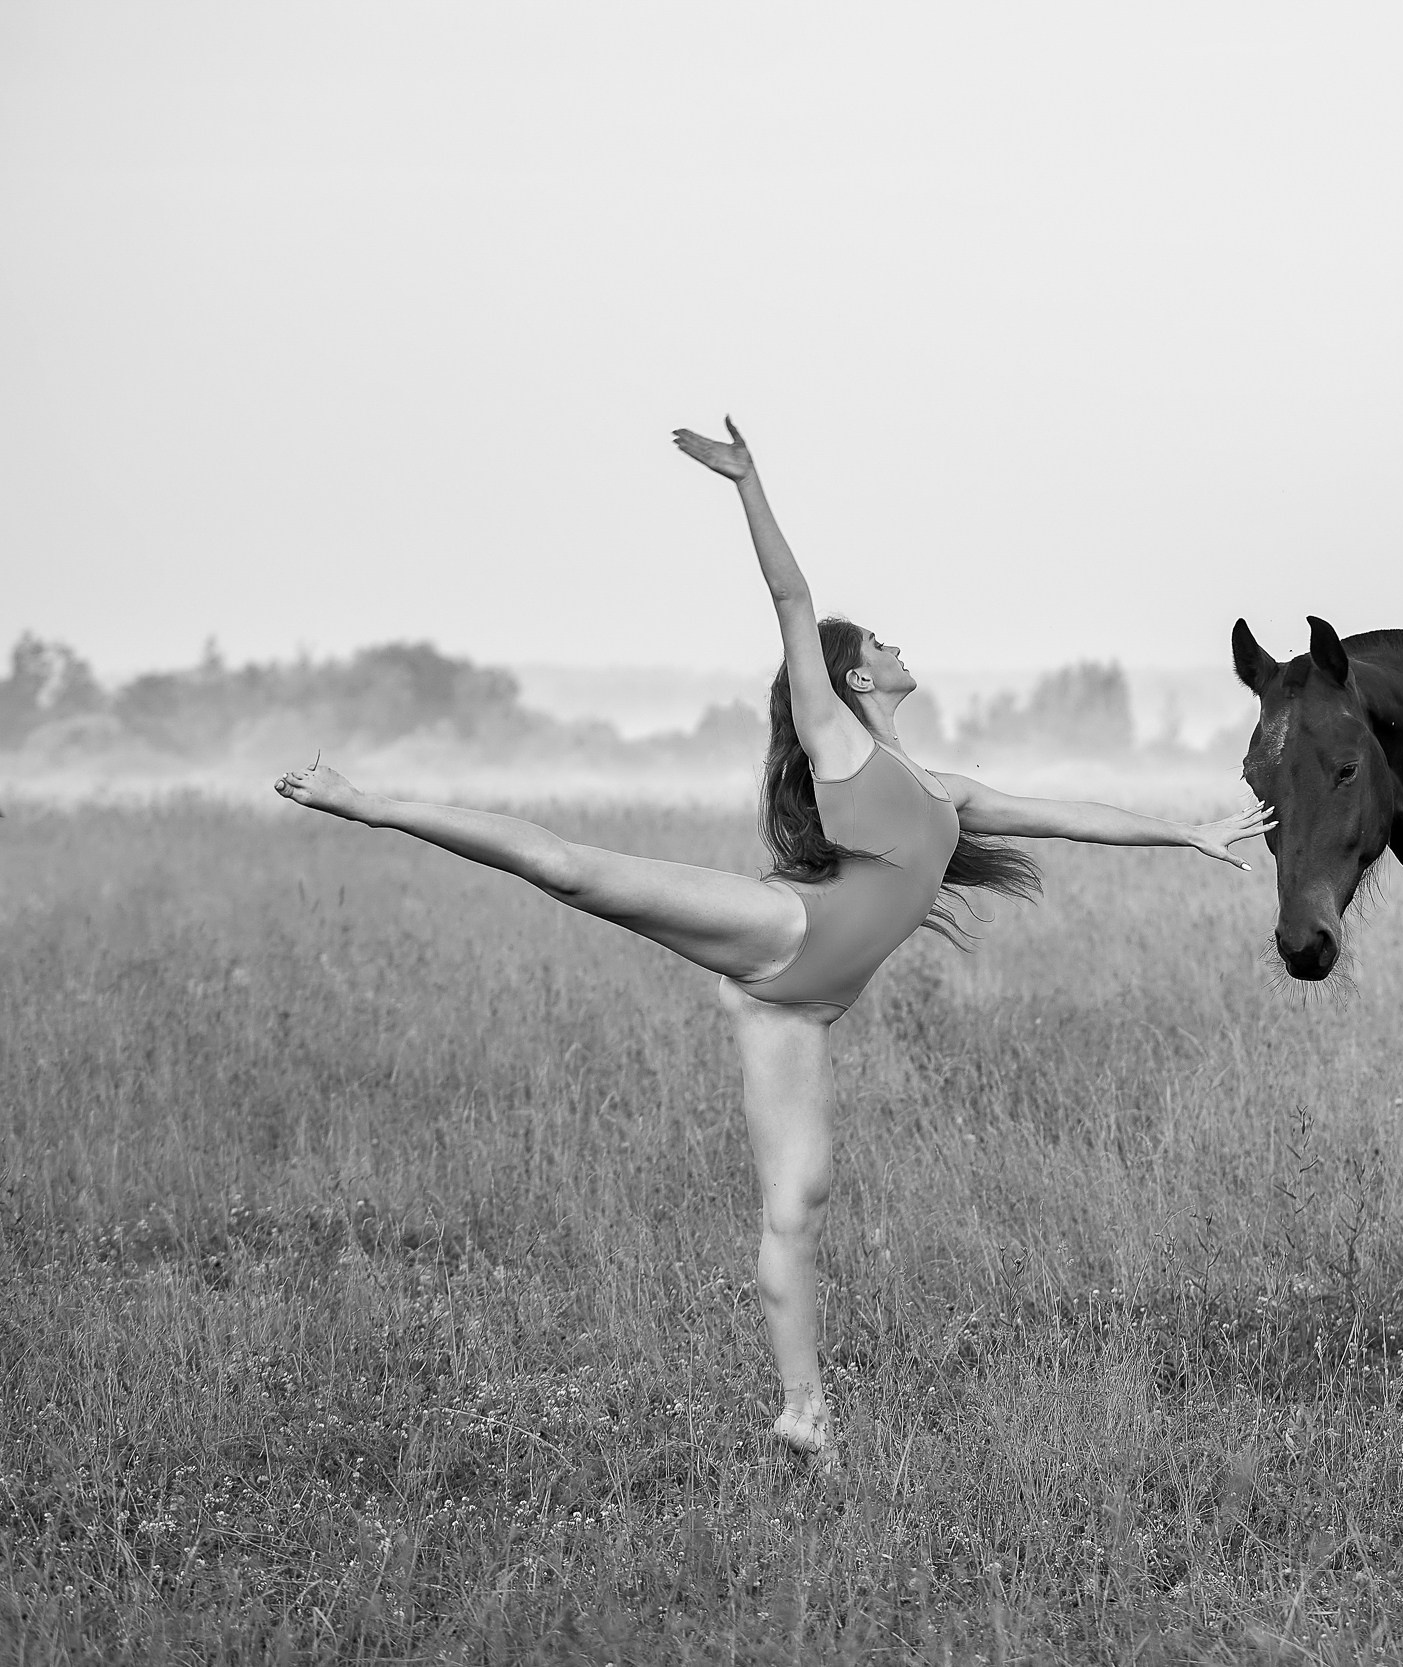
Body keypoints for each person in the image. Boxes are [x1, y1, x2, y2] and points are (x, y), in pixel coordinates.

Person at [275, 418, 1272, 1455]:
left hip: (802, 1003)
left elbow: (1072, 813)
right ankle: (369, 803)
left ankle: (803, 1409)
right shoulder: (833, 735)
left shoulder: (946, 789)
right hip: (784, 932)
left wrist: (1184, 831)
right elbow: (793, 600)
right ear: (851, 680)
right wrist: (749, 484)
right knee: (567, 867)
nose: (895, 647)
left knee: (799, 1201)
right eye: (879, 644)